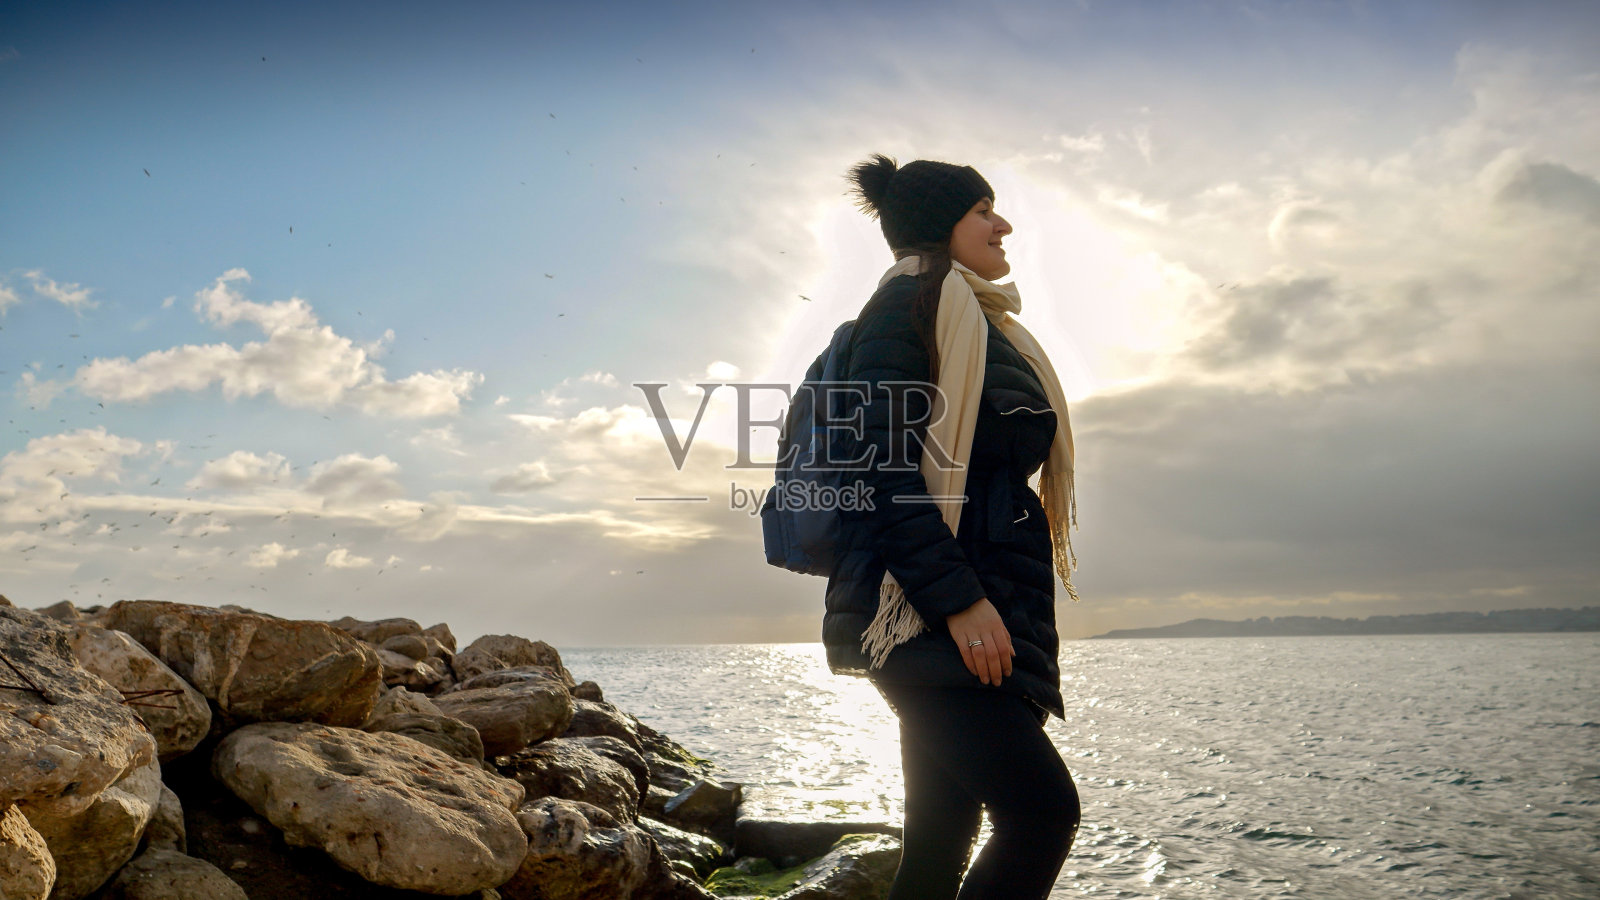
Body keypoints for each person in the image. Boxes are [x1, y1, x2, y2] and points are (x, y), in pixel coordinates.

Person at [820, 153, 1082, 900]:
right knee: (1041, 813)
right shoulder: (907, 307)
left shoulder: (981, 322)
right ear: (942, 225)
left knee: (940, 843)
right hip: (922, 615)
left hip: (970, 601)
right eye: (983, 211)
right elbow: (883, 471)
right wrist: (959, 600)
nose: (1002, 224)